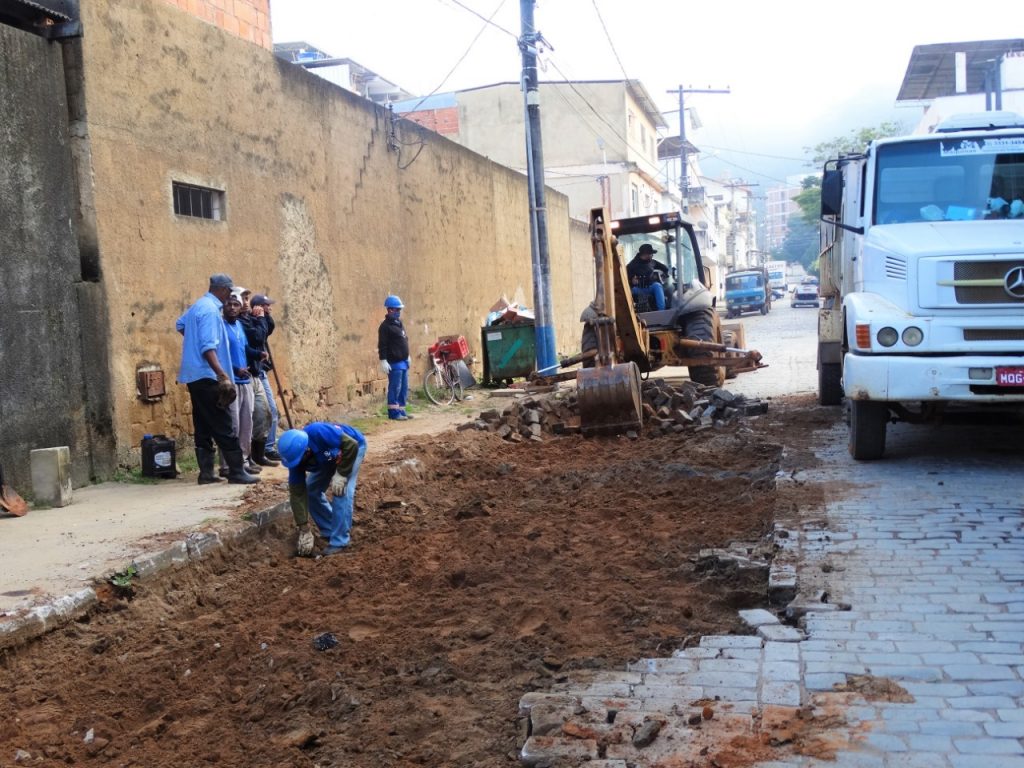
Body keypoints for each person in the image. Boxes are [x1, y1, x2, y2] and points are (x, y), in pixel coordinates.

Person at [175, 274, 258, 485]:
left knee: (202, 424)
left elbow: (180, 325)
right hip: (208, 375)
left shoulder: (197, 306)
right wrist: (222, 374)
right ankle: (236, 471)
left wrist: (193, 344)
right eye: (229, 292)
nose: (229, 296)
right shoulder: (211, 311)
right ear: (221, 290)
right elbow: (208, 347)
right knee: (224, 423)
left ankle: (206, 473)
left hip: (194, 375)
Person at [279, 422, 367, 557]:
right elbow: (297, 494)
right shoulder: (296, 460)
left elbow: (351, 445)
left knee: (341, 491)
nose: (298, 465)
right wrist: (304, 528)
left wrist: (342, 473)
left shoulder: (318, 432)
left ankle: (340, 542)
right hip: (327, 459)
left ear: (306, 450)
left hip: (351, 450)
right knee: (310, 490)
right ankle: (330, 528)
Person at [217, 292, 260, 476]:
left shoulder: (240, 327)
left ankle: (242, 460)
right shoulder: (221, 327)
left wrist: (258, 354)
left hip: (246, 380)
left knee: (246, 423)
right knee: (231, 424)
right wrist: (234, 370)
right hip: (231, 381)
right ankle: (227, 465)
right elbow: (218, 355)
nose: (233, 307)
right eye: (229, 304)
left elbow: (244, 348)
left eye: (236, 304)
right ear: (223, 307)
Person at [240, 292, 281, 465]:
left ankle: (266, 449)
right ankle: (261, 452)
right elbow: (257, 337)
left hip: (260, 371)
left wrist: (265, 317)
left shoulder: (259, 319)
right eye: (267, 305)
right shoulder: (247, 321)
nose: (270, 307)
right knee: (258, 414)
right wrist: (259, 319)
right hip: (251, 373)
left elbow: (268, 330)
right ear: (258, 307)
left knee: (269, 411)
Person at [378, 295, 412, 420]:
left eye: (399, 310)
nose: (399, 312)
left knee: (403, 387)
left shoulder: (399, 323)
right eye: (397, 310)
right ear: (390, 310)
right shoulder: (385, 327)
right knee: (395, 387)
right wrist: (383, 360)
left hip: (403, 361)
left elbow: (404, 339)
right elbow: (382, 345)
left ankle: (401, 410)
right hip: (394, 362)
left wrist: (408, 355)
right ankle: (393, 413)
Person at [626, 243, 671, 311]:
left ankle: (661, 311)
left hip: (650, 287)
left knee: (657, 285)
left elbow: (665, 268)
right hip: (637, 289)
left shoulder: (652, 262)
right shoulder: (631, 266)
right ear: (645, 254)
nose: (652, 255)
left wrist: (664, 276)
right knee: (632, 290)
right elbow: (626, 281)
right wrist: (632, 281)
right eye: (651, 254)